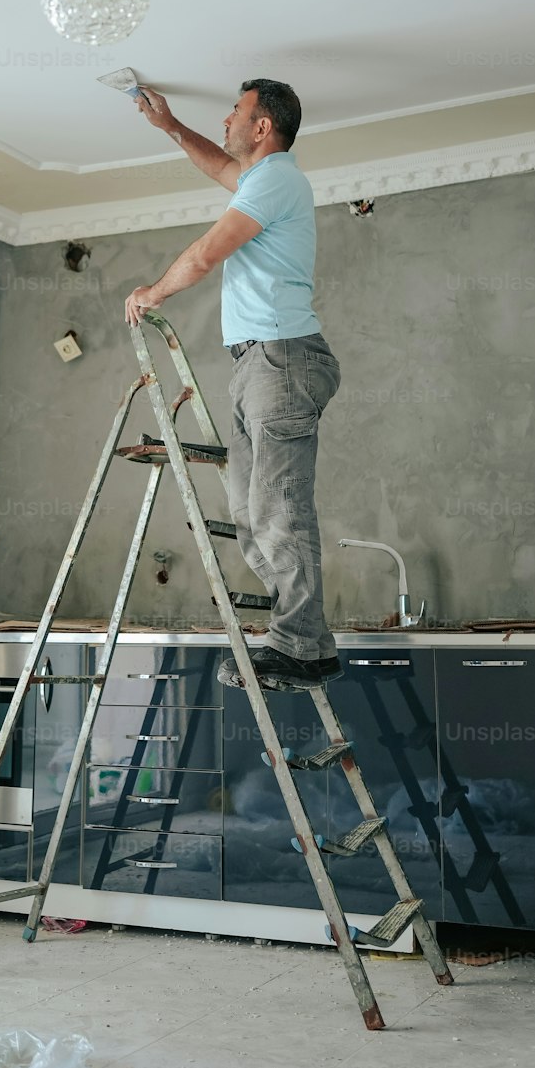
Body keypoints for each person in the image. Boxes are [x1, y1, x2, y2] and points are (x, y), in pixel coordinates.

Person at [123, 79, 342, 690]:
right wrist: (169, 126)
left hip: (282, 357)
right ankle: (310, 644)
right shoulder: (259, 181)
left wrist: (151, 292)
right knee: (250, 511)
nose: (226, 120)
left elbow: (205, 253)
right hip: (257, 363)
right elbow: (219, 163)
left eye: (236, 112)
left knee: (278, 507)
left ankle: (296, 639)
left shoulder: (276, 180)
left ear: (263, 127)